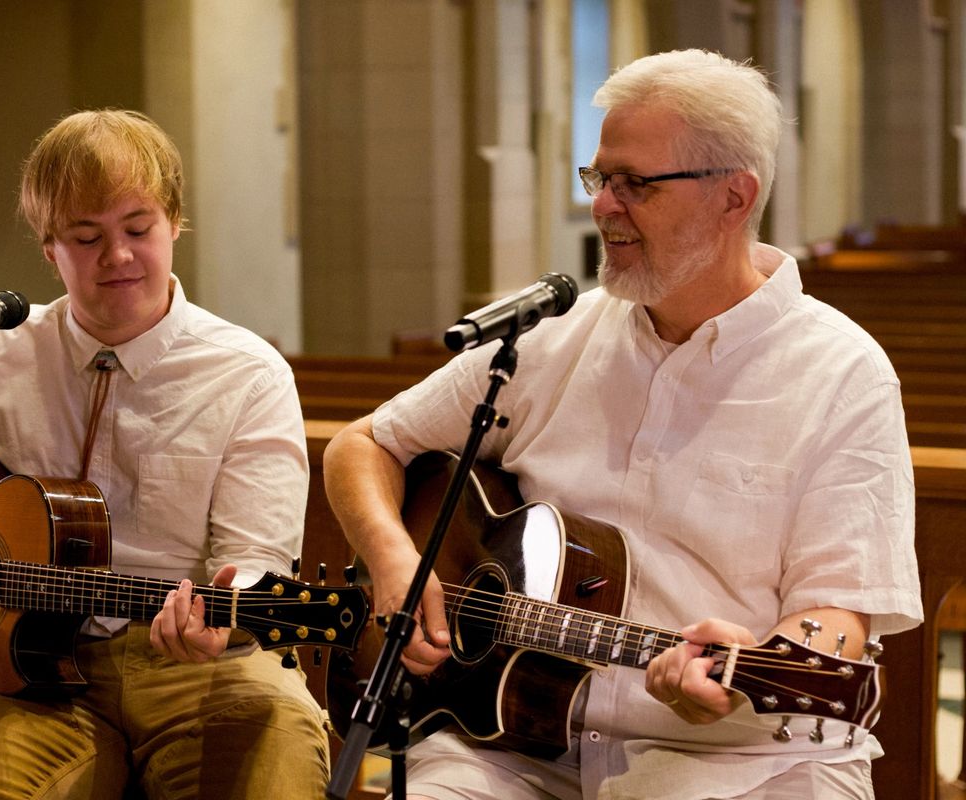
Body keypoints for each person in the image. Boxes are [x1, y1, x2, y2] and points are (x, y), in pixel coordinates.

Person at [323, 49, 922, 800]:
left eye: (635, 183)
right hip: (509, 748)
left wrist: (742, 676)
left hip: (744, 763)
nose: (604, 205)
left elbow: (837, 619)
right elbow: (367, 443)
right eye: (600, 178)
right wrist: (393, 563)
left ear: (735, 197)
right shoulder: (550, 338)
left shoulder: (841, 374)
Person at [0, 109, 329, 798]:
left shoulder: (246, 374)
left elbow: (254, 562)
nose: (119, 257)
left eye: (138, 228)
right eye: (86, 237)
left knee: (275, 766)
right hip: (28, 673)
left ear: (174, 225)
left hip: (202, 669)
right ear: (50, 250)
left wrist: (222, 621)